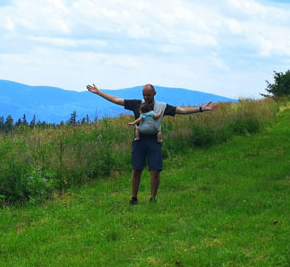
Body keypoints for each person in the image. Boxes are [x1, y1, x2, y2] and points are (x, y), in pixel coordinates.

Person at [86, 83, 218, 205]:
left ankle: (153, 198)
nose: (146, 97)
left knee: (155, 170)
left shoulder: (162, 107)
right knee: (136, 169)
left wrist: (202, 109)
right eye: (144, 94)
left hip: (154, 141)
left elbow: (182, 111)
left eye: (148, 95)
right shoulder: (137, 104)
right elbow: (116, 99)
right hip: (139, 141)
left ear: (154, 93)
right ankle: (134, 198)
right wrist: (98, 92)